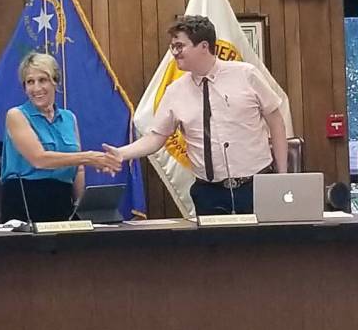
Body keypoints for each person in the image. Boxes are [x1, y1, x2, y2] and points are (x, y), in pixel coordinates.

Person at [103, 15, 287, 215]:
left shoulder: (246, 75)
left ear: (204, 46)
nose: (174, 53)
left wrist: (282, 176)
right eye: (172, 47)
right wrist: (122, 153)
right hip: (208, 192)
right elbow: (156, 137)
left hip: (256, 186)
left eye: (180, 46)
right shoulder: (175, 91)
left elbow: (276, 122)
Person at [1, 52, 122, 223]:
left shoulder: (69, 118)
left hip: (62, 201)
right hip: (26, 202)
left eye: (42, 80)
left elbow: (78, 169)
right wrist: (89, 157)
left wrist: (80, 207)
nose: (36, 88)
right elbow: (39, 159)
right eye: (30, 82)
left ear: (55, 82)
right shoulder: (16, 115)